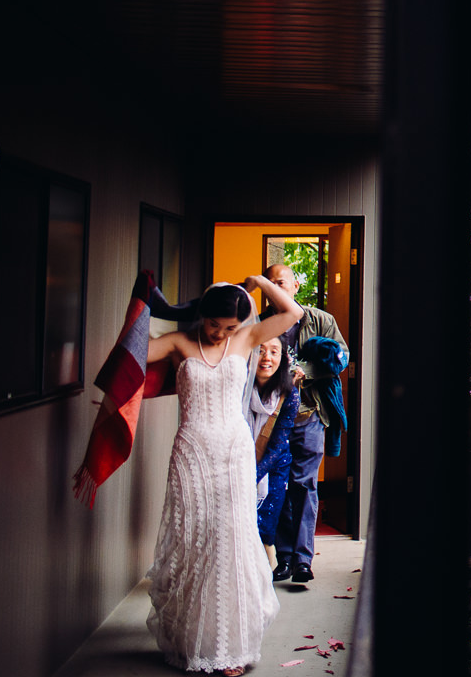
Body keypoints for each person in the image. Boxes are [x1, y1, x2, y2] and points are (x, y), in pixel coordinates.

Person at [143, 275, 300, 676]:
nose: (221, 333)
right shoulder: (180, 342)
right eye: (215, 325)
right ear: (203, 315)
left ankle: (232, 646)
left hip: (233, 453)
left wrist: (260, 282)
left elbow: (292, 312)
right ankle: (192, 639)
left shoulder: (246, 339)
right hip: (192, 452)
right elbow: (135, 354)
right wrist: (143, 305)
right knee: (194, 541)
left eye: (229, 327)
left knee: (229, 543)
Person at [267, 261, 348, 585]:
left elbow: (341, 356)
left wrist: (307, 371)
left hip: (309, 415)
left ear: (295, 286)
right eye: (271, 283)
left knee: (304, 485)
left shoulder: (320, 320)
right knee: (278, 486)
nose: (277, 287)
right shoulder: (262, 323)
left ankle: (302, 560)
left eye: (282, 282)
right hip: (271, 420)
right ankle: (283, 558)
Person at [244, 335, 302, 564]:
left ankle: (264, 579)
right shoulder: (237, 389)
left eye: (274, 351)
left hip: (273, 466)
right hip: (238, 461)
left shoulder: (289, 396)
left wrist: (251, 478)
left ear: (283, 358)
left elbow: (277, 446)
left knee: (264, 527)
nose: (267, 357)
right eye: (260, 350)